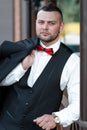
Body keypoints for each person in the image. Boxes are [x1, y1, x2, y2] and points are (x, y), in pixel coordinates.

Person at [0, 2, 80, 130]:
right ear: (36, 23)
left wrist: (57, 118)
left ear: (61, 26)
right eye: (41, 22)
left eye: (51, 23)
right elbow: (2, 81)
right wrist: (22, 66)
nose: (45, 27)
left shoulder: (72, 61)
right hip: (5, 124)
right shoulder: (22, 48)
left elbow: (78, 103)